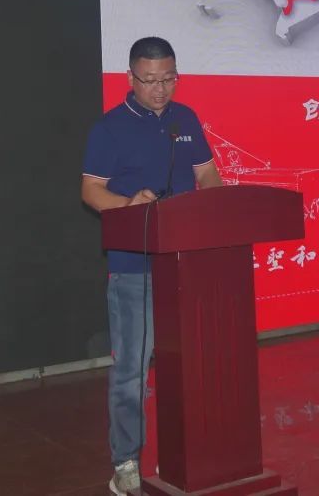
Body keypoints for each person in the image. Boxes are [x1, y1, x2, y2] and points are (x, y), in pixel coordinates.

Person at [81, 36, 223, 495]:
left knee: (193, 364)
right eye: (149, 81)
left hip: (186, 264)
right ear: (130, 78)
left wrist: (217, 209)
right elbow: (91, 190)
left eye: (168, 79)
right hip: (134, 267)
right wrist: (128, 205)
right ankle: (125, 461)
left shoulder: (186, 119)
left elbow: (206, 173)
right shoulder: (110, 128)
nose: (160, 90)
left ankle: (191, 453)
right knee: (132, 371)